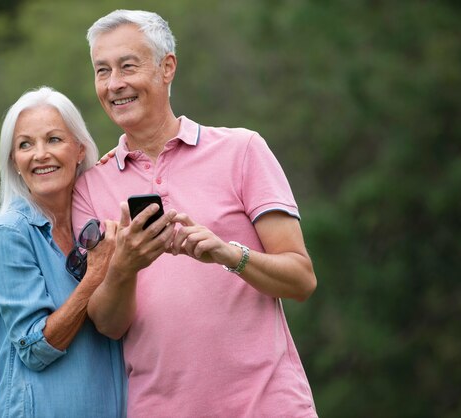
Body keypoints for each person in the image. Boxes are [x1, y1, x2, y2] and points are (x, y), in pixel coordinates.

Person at [72, 9, 319, 418]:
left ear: (167, 67)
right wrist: (125, 266)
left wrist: (228, 254)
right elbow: (108, 325)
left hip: (270, 406)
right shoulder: (90, 188)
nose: (114, 84)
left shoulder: (242, 150)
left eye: (127, 66)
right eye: (102, 71)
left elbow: (301, 280)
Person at [0, 86, 128, 417]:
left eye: (54, 140)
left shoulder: (98, 222)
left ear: (79, 150)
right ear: (14, 162)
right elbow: (35, 348)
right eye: (25, 145)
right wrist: (96, 276)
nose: (39, 154)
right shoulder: (10, 234)